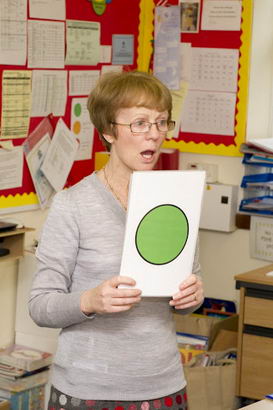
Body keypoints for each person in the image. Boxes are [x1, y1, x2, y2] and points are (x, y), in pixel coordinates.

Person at [29, 70, 204, 410]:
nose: (153, 136)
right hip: (88, 390)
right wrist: (89, 301)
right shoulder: (72, 204)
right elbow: (40, 305)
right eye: (139, 123)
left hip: (163, 385)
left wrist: (193, 295)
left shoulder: (176, 199)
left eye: (161, 122)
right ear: (109, 131)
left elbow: (189, 291)